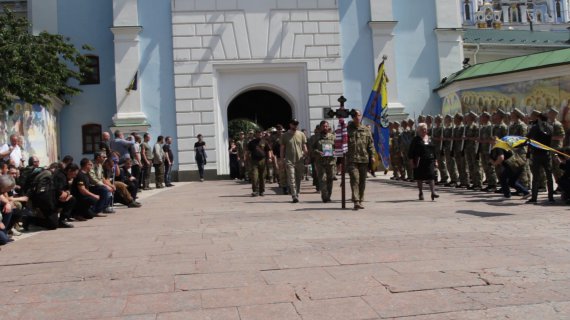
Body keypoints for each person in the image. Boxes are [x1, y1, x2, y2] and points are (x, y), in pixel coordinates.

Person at [346, 110, 374, 210]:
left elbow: (370, 144)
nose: (357, 117)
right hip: (352, 159)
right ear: (352, 117)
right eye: (354, 116)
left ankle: (361, 199)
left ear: (360, 116)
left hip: (364, 159)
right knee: (354, 179)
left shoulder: (366, 130)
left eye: (358, 115)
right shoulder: (347, 130)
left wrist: (372, 156)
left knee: (362, 181)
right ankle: (356, 201)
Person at [526, 111, 554, 203]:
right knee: (549, 176)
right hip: (547, 154)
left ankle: (534, 198)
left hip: (537, 154)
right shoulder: (551, 127)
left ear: (539, 118)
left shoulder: (535, 127)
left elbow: (528, 138)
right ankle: (551, 197)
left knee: (536, 177)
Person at [408, 123, 439, 201]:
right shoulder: (416, 139)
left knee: (431, 176)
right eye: (422, 129)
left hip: (430, 160)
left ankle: (433, 192)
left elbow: (433, 149)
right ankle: (421, 192)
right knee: (420, 177)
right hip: (419, 160)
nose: (424, 130)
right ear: (418, 130)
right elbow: (411, 151)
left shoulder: (430, 138)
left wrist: (436, 160)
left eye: (425, 129)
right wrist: (411, 161)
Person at [280, 119, 308, 203]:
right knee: (291, 178)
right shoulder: (285, 135)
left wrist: (306, 154)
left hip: (299, 160)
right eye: (293, 124)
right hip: (289, 160)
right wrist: (282, 159)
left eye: (296, 124)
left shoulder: (301, 134)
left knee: (298, 178)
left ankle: (297, 192)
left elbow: (304, 146)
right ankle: (294, 195)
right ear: (290, 125)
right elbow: (282, 148)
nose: (295, 126)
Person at [311, 120, 336, 203]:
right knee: (322, 179)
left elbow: (337, 147)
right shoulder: (315, 137)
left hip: (330, 162)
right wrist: (318, 152)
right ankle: (324, 197)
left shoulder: (332, 137)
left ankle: (329, 195)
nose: (325, 128)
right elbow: (311, 149)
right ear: (320, 127)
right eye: (323, 126)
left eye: (326, 126)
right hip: (320, 162)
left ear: (328, 127)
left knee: (330, 179)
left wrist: (334, 151)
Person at [246, 130, 273, 196]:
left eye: (261, 134)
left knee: (262, 176)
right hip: (254, 161)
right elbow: (248, 152)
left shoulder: (265, 142)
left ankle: (262, 191)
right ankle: (255, 191)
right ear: (256, 134)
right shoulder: (251, 142)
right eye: (258, 134)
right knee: (255, 176)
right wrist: (247, 160)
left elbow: (268, 150)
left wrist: (269, 158)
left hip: (262, 160)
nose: (260, 135)